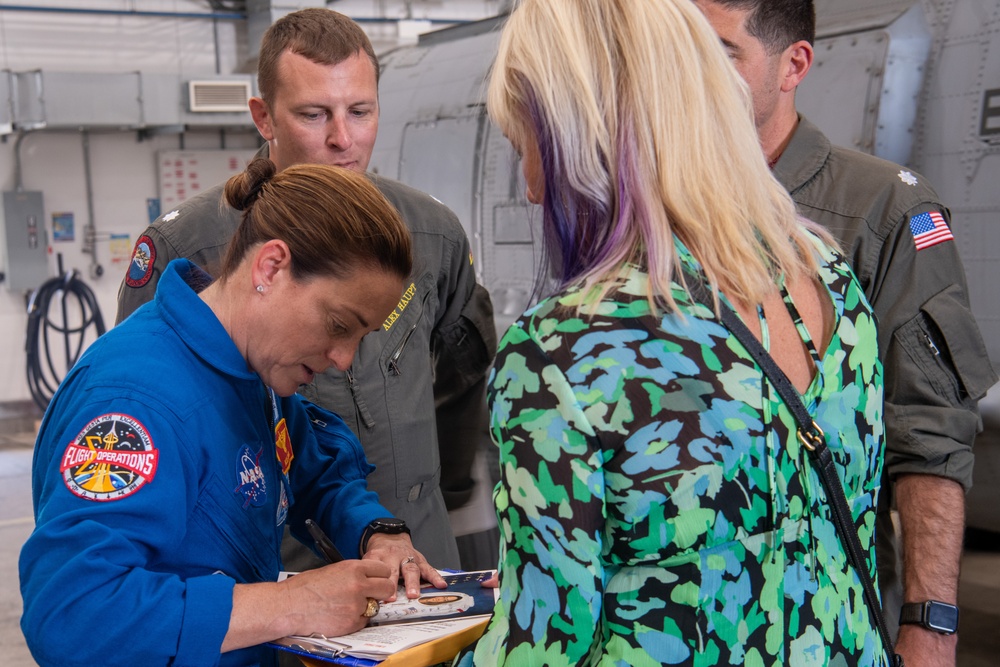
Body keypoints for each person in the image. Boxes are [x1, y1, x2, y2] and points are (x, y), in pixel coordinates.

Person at [465, 0, 890, 664]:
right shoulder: (831, 278)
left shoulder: (559, 353)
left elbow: (544, 642)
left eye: (530, 148)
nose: (528, 188)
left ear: (581, 142)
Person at [20, 158, 448, 667]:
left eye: (360, 338)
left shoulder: (254, 370)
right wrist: (291, 603)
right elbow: (73, 616)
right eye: (338, 325)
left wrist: (377, 533)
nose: (343, 359)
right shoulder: (135, 403)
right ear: (270, 267)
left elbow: (313, 469)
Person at [115, 8, 497, 571]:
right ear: (264, 117)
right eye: (314, 114)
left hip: (416, 573)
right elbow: (149, 421)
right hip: (274, 594)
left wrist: (457, 516)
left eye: (360, 112)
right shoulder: (191, 249)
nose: (343, 139)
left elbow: (463, 384)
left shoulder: (430, 236)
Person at [692, 1, 999, 664]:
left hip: (823, 621)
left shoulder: (883, 212)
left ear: (792, 64)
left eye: (719, 55)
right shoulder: (657, 207)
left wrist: (930, 624)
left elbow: (930, 437)